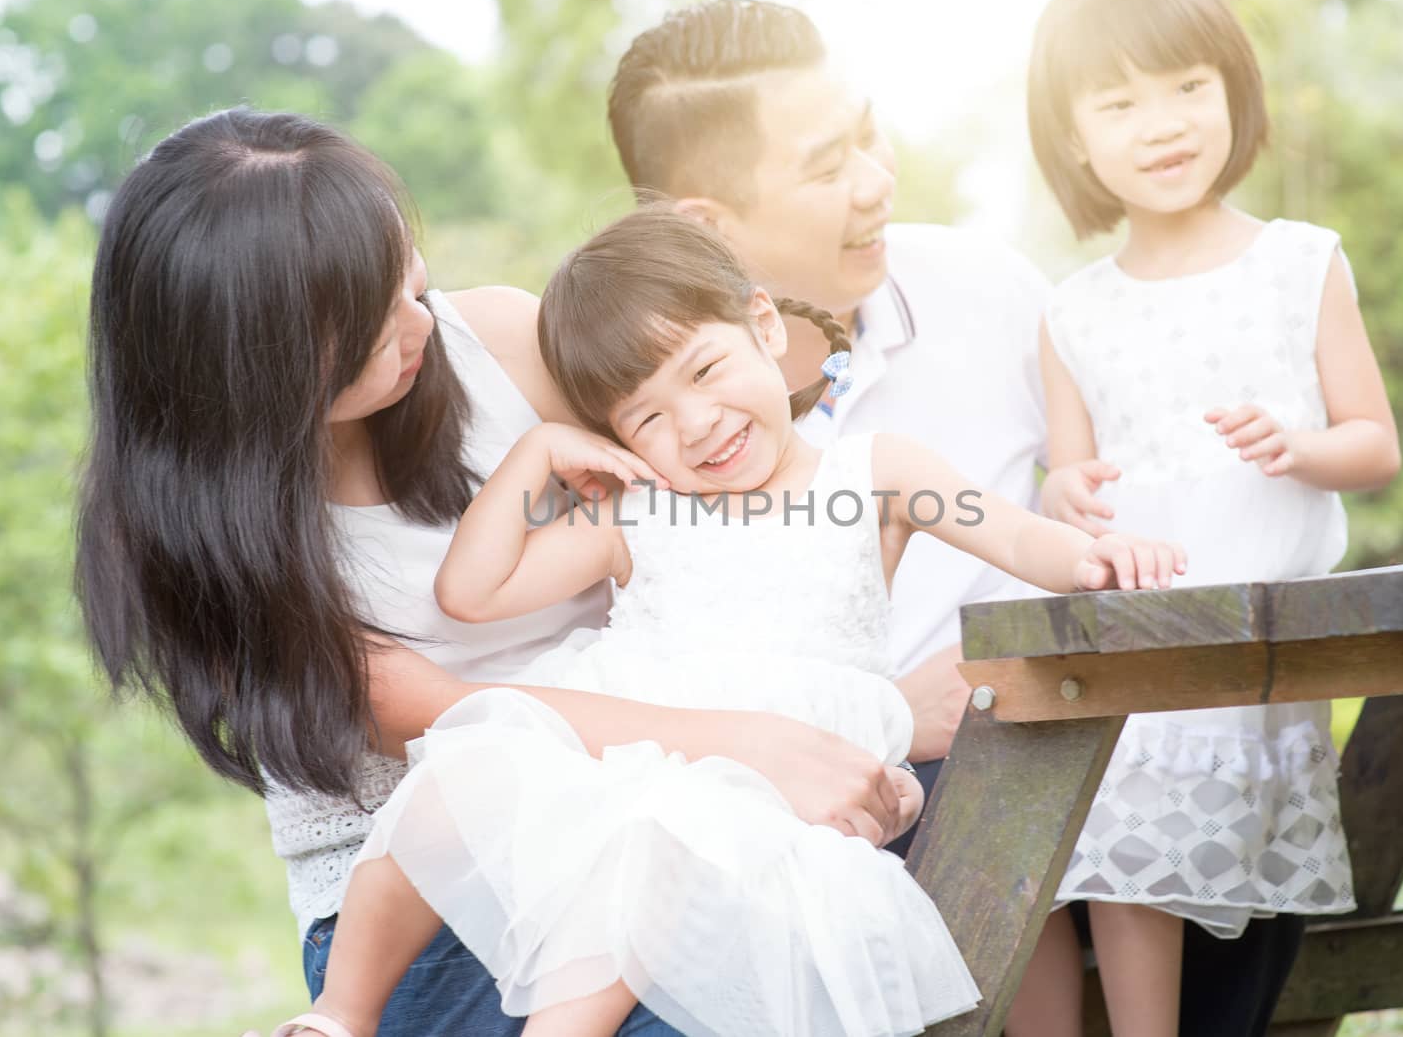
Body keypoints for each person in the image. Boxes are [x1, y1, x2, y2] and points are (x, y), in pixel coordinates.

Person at [75, 107, 924, 1037]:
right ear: (255, 362)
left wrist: (857, 701)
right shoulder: (208, 546)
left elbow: (712, 526)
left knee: (876, 917)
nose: (417, 325)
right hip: (429, 889)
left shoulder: (504, 345)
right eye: (371, 319)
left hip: (670, 800)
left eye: (413, 280)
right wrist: (745, 742)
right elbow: (446, 714)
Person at [283, 207, 1185, 1037]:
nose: (699, 425)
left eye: (707, 372)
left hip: (767, 789)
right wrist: (537, 452)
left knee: (656, 873)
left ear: (764, 326)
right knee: (459, 773)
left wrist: (1092, 562)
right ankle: (342, 1015)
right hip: (625, 758)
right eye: (649, 418)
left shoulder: (872, 472)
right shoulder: (639, 511)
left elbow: (1019, 537)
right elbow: (471, 592)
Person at [1013, 0, 1402, 1036]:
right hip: (1140, 641)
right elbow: (1070, 489)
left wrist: (1301, 446)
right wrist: (1062, 490)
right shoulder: (1074, 311)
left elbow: (1374, 444)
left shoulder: (1298, 262)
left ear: (1233, 92)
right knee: (1127, 854)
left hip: (1265, 642)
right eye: (1119, 103)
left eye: (1185, 86)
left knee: (1226, 893)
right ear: (1074, 139)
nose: (1163, 124)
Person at [607, 1, 1055, 832]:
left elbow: (1110, 499)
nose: (878, 181)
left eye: (868, 134)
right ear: (705, 225)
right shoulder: (647, 416)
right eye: (826, 169)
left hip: (1035, 765)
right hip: (773, 817)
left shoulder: (991, 292)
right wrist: (880, 711)